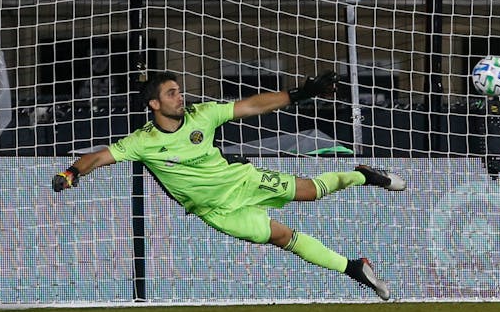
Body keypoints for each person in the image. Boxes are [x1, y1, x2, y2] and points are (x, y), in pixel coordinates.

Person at [50, 70, 401, 299]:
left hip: (240, 181)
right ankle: (354, 268)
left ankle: (363, 175)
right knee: (281, 238)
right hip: (214, 210)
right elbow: (96, 157)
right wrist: (71, 174)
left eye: (179, 92)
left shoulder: (202, 114)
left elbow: (251, 106)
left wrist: (301, 94)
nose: (180, 97)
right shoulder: (141, 141)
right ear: (154, 104)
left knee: (308, 191)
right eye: (172, 94)